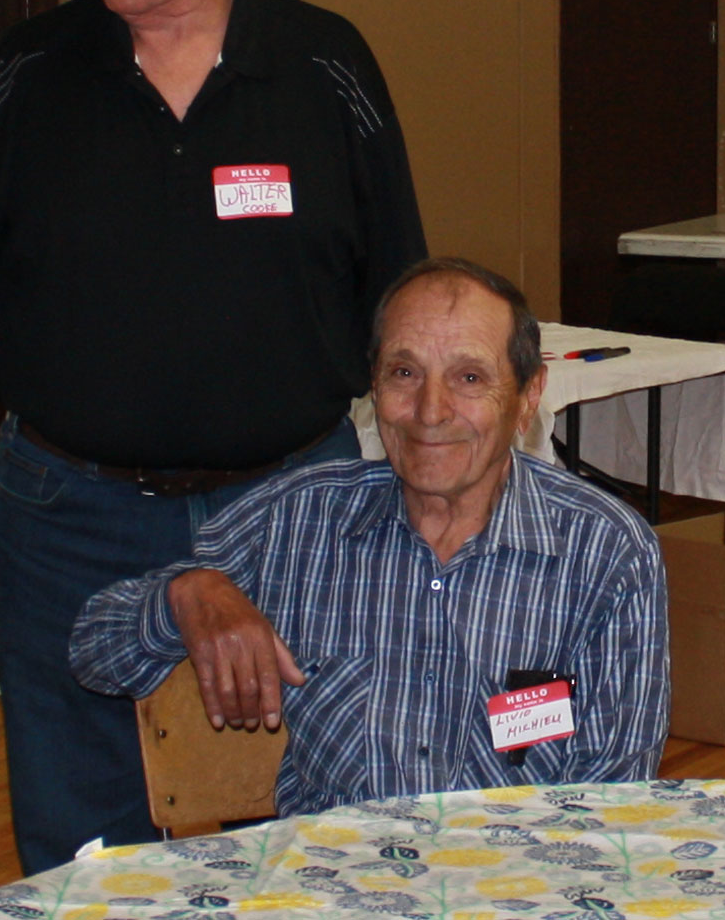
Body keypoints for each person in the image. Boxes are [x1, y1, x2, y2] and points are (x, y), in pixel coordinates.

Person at [0, 0, 427, 870]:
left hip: (292, 515)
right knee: (80, 838)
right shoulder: (24, 76)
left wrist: (428, 492)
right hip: (68, 519)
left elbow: (403, 308)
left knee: (302, 818)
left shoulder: (329, 68)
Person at [70, 257, 670, 813]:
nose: (429, 411)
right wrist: (187, 595)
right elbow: (93, 650)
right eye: (404, 372)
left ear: (527, 396)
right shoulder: (297, 522)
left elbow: (613, 800)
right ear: (374, 387)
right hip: (331, 883)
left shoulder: (605, 553)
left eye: (467, 377)